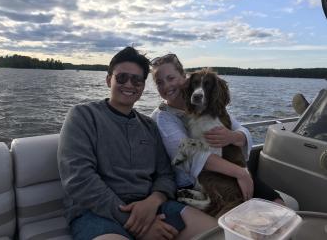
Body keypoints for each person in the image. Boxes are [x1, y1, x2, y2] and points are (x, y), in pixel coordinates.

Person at [57, 47, 217, 240]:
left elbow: (165, 174)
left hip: (153, 207)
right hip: (96, 213)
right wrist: (135, 221)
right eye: (122, 78)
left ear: (142, 86)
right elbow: (79, 178)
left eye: (137, 80)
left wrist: (154, 201)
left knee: (220, 234)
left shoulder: (149, 126)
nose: (129, 84)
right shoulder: (83, 116)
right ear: (109, 80)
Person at [150, 53, 284, 205]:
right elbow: (190, 154)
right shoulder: (163, 117)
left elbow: (242, 131)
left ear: (184, 78)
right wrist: (241, 173)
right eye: (159, 82)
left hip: (227, 170)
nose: (166, 85)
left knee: (278, 203)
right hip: (194, 180)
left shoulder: (207, 104)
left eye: (171, 78)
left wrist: (232, 136)